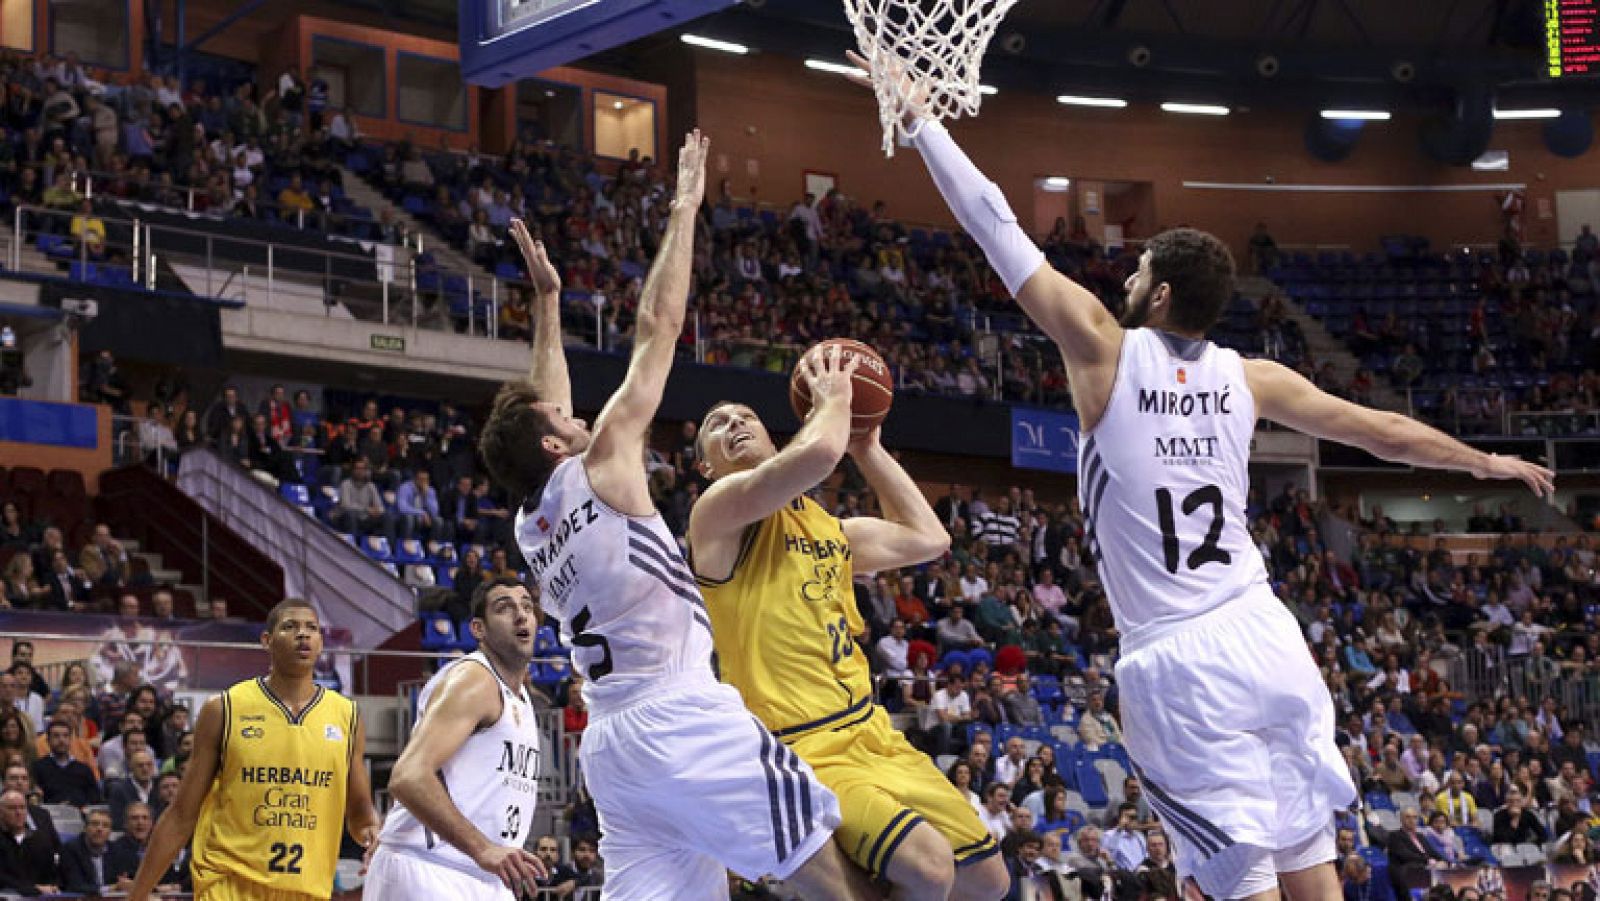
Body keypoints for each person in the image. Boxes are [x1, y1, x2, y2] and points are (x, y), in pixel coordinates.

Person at [860, 54, 1556, 901]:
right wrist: (1485, 459)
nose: (1124, 275)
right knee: (1314, 871)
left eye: (1138, 266)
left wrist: (924, 121)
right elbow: (1381, 432)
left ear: (1158, 296)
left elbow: (997, 227)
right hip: (1267, 632)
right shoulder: (1252, 376)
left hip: (1178, 657)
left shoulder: (1102, 349)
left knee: (1239, 883)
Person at [482, 134, 859, 899]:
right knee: (830, 876)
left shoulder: (532, 524)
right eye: (563, 416)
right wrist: (684, 207)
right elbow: (657, 325)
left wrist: (550, 304)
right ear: (557, 439)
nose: (576, 409)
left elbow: (538, 407)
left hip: (614, 749)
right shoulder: (603, 462)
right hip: (680, 714)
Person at [690, 362, 1008, 896]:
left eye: (745, 416)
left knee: (989, 881)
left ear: (772, 437)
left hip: (872, 731)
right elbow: (817, 454)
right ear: (704, 466)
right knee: (930, 870)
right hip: (803, 746)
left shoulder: (831, 531)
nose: (735, 422)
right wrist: (837, 397)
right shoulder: (716, 516)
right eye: (718, 426)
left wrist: (867, 448)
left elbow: (929, 537)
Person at [124, 598, 379, 901]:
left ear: (321, 643)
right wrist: (137, 895)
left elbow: (360, 809)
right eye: (290, 627)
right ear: (267, 641)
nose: (303, 634)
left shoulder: (347, 716)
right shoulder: (225, 709)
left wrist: (374, 835)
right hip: (230, 885)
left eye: (311, 628)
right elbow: (181, 814)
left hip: (307, 889)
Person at [367, 577, 548, 899]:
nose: (521, 615)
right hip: (431, 867)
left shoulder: (521, 698)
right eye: (504, 608)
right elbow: (408, 776)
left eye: (526, 606)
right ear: (478, 629)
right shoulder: (474, 679)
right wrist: (483, 849)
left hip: (482, 875)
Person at [0, 788, 57, 896]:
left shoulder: (40, 840)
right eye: (12, 808)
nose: (18, 812)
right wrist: (32, 888)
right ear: (1, 812)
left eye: (22, 808)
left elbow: (51, 873)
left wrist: (53, 886)